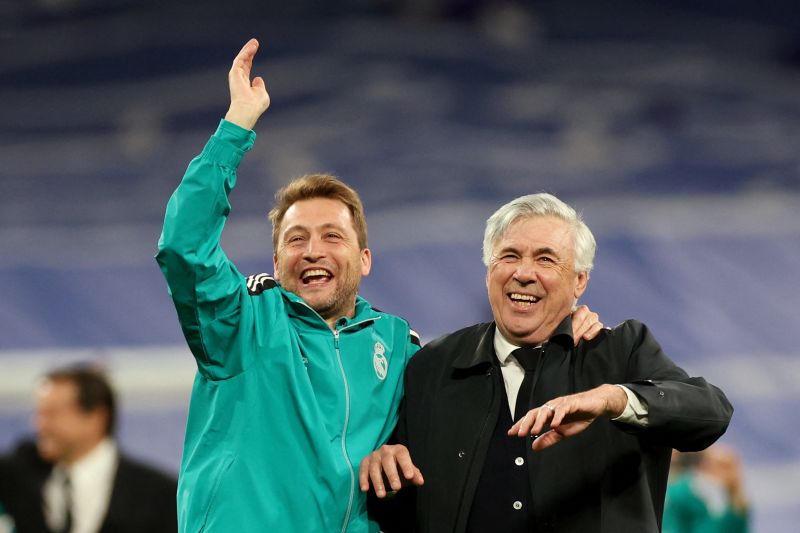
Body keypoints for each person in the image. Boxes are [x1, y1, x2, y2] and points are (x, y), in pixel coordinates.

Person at [156, 39, 603, 532]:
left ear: (364, 259)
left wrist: (561, 331)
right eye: (296, 239)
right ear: (278, 260)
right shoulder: (240, 324)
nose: (313, 251)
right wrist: (236, 126)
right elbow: (183, 247)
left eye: (333, 236)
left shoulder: (400, 345)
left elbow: (475, 407)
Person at [360, 192, 733, 532]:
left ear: (579, 282)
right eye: (509, 256)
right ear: (489, 269)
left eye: (546, 259)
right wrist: (387, 473)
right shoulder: (433, 367)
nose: (524, 273)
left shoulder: (621, 351)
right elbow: (399, 504)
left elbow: (710, 413)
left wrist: (613, 399)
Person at [0, 365, 177, 533]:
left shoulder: (159, 495)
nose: (39, 425)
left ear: (96, 417)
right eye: (39, 414)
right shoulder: (20, 474)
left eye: (52, 414)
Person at [662, 446, 750, 533]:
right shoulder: (681, 493)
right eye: (719, 465)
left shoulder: (737, 504)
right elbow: (671, 526)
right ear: (704, 465)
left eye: (728, 467)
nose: (726, 473)